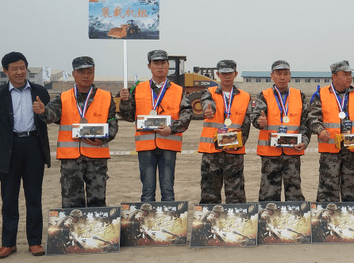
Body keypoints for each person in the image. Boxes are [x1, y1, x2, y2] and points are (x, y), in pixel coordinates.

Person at [0, 51, 51, 258]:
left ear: (27, 68)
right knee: (9, 198)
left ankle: (35, 241)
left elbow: (50, 117)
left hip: (33, 147)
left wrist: (43, 112)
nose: (19, 72)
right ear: (5, 71)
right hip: (7, 149)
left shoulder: (40, 91)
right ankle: (8, 243)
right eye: (14, 69)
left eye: (22, 68)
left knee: (34, 198)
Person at [40, 56, 118, 209]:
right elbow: (51, 115)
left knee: (97, 203)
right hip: (71, 160)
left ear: (94, 73)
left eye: (90, 72)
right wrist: (43, 111)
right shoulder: (63, 98)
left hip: (97, 159)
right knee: (72, 204)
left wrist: (103, 138)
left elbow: (113, 123)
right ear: (73, 74)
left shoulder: (106, 97)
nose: (86, 76)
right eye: (81, 72)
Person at [118, 49, 192, 202]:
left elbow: (187, 114)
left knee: (168, 191)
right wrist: (124, 102)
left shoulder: (178, 90)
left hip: (168, 145)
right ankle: (147, 224)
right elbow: (129, 116)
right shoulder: (138, 89)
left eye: (163, 63)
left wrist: (172, 128)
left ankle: (169, 223)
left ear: (168, 65)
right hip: (146, 147)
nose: (160, 67)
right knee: (147, 191)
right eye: (156, 63)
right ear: (149, 66)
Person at [308, 60, 354, 202]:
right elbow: (312, 118)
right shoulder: (321, 94)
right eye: (345, 74)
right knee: (327, 192)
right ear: (334, 77)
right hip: (330, 152)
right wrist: (320, 130)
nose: (349, 77)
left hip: (353, 153)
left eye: (350, 74)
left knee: (353, 192)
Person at [251, 60, 310, 201]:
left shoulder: (299, 96)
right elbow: (255, 118)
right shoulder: (263, 95)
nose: (282, 77)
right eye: (278, 74)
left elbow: (306, 123)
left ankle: (296, 220)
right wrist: (259, 121)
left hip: (292, 152)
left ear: (290, 75)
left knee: (294, 193)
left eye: (285, 74)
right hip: (270, 154)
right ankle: (267, 221)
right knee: (268, 193)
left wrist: (305, 141)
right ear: (272, 75)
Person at [198, 59, 250, 203]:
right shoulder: (208, 92)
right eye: (223, 73)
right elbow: (207, 103)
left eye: (230, 73)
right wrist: (208, 110)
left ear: (236, 74)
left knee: (236, 195)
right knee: (209, 194)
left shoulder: (245, 97)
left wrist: (238, 143)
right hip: (211, 153)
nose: (227, 76)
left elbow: (246, 125)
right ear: (218, 74)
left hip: (234, 153)